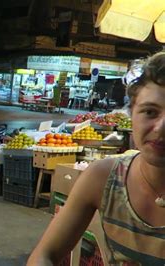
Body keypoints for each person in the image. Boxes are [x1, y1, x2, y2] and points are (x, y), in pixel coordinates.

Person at [27, 52, 165, 265]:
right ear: (131, 115)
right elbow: (45, 254)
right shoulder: (104, 177)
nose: (161, 128)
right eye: (150, 112)